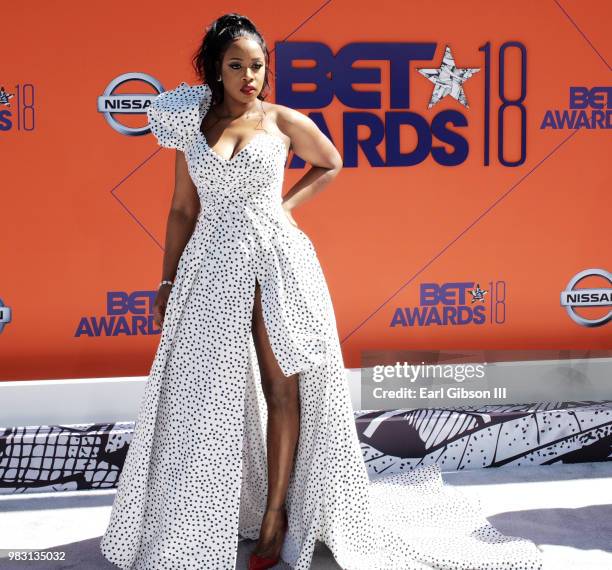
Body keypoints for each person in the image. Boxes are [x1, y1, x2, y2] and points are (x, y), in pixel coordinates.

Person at [100, 12, 544, 570]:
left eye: (257, 65)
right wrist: (165, 280)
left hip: (277, 265)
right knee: (207, 400)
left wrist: (281, 209)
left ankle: (275, 517)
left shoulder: (282, 121)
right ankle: (203, 518)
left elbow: (330, 162)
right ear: (215, 68)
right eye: (236, 65)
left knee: (284, 387)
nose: (249, 76)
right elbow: (182, 209)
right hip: (209, 271)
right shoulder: (189, 124)